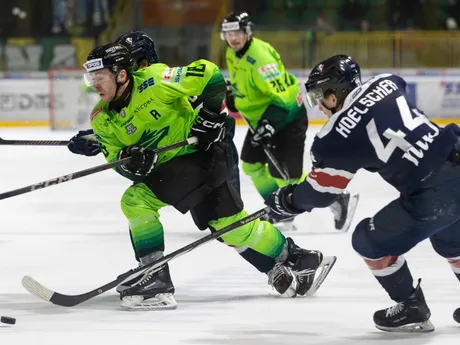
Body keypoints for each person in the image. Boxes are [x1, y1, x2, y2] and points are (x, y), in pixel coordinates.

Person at [80, 41, 334, 310]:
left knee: (136, 200)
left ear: (121, 74)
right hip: (180, 169)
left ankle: (154, 278)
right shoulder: (101, 119)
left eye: (100, 77)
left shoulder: (154, 81)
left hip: (204, 156)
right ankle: (299, 258)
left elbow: (210, 74)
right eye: (91, 78)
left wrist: (211, 116)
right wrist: (131, 162)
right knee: (231, 228)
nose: (93, 84)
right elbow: (116, 162)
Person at [265, 54, 460, 332]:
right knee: (451, 240)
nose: (320, 105)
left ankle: (411, 305)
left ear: (336, 92)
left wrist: (287, 201)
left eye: (322, 95)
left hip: (431, 194)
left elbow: (321, 193)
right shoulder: (387, 81)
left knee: (368, 240)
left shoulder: (334, 137)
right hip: (457, 155)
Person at [221, 12, 359, 232]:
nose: (233, 38)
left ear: (247, 32)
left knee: (287, 177)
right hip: (262, 121)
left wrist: (268, 124)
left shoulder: (260, 57)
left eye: (237, 32)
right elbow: (246, 88)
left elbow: (284, 99)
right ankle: (279, 209)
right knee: (251, 164)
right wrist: (234, 95)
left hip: (286, 119)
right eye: (228, 34)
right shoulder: (232, 53)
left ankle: (336, 199)